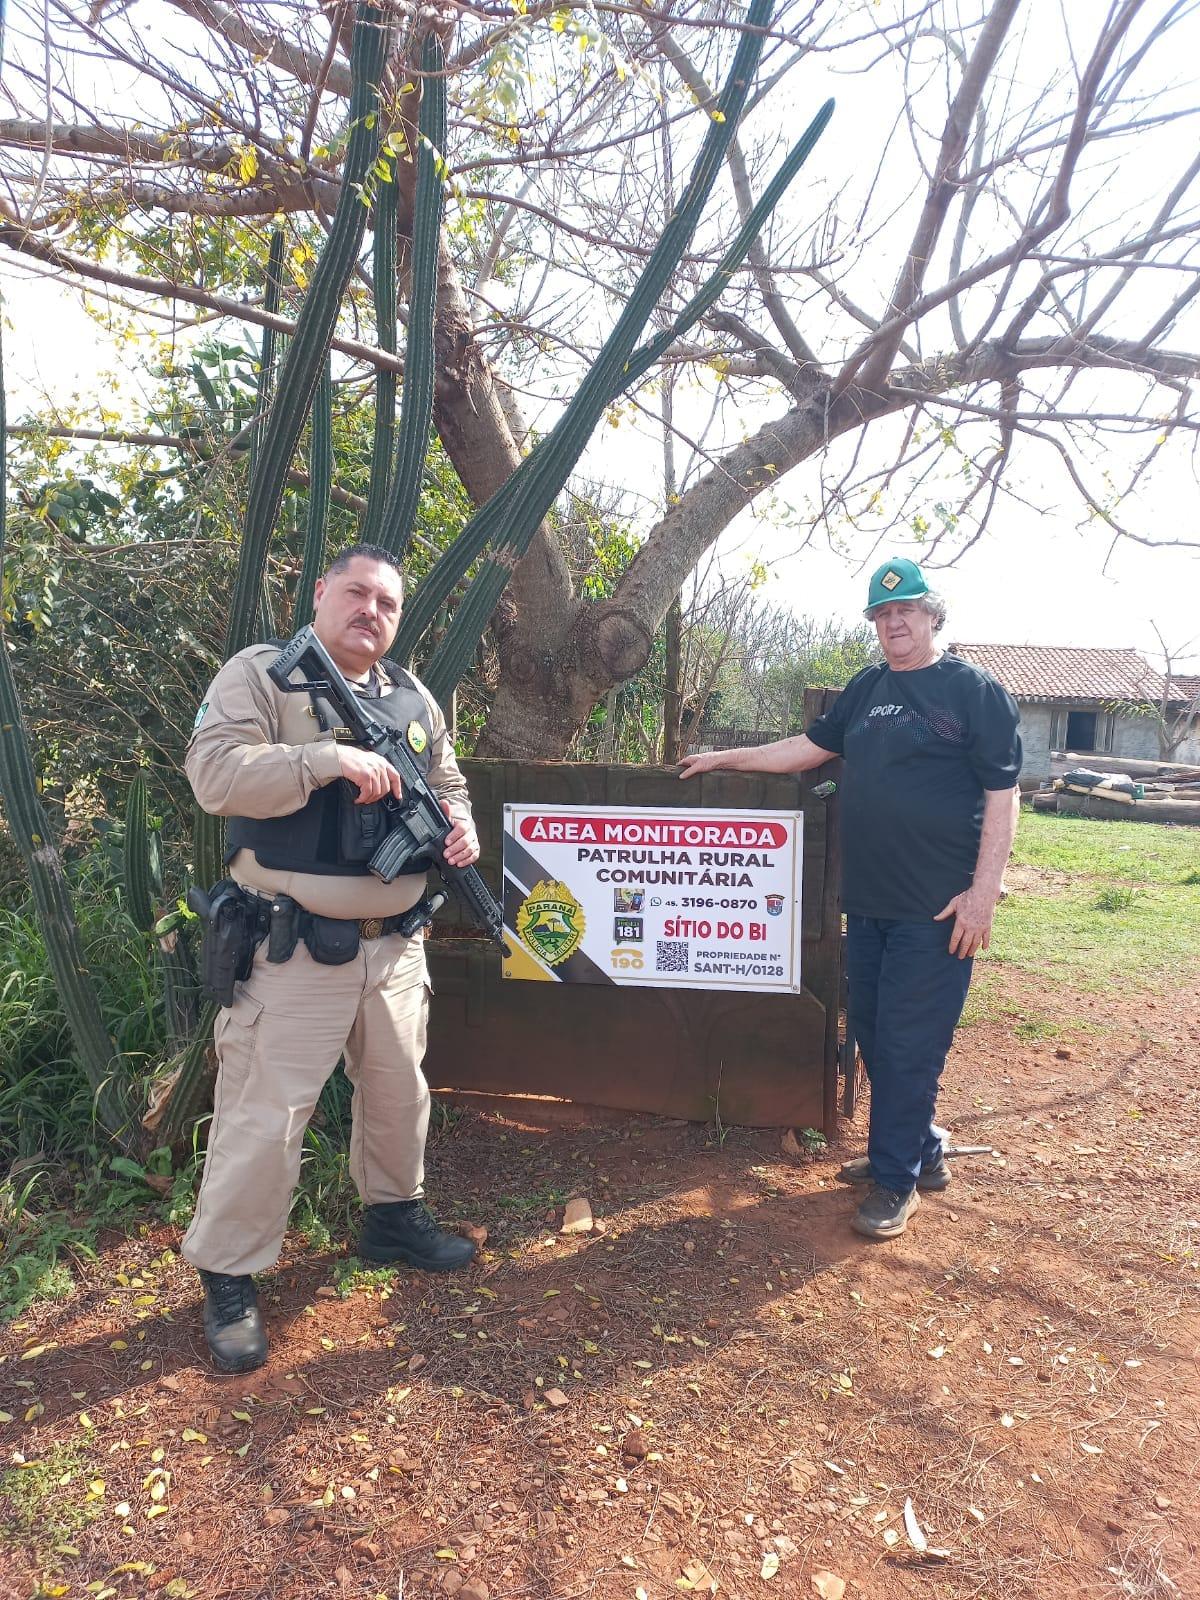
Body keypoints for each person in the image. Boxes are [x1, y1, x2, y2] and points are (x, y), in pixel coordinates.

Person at [182, 544, 480, 1372]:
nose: (371, 612)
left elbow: (448, 780)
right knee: (265, 1114)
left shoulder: (415, 696)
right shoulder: (262, 676)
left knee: (397, 1095)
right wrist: (324, 761)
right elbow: (212, 774)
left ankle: (392, 1219)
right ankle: (231, 1273)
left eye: (386, 603)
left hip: (395, 949)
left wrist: (463, 822)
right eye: (357, 593)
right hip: (293, 948)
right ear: (321, 594)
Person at [680, 558, 1021, 1241]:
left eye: (907, 611)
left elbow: (1002, 793)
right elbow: (807, 749)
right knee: (871, 1030)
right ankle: (919, 1153)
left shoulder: (973, 691)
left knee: (909, 1042)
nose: (894, 623)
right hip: (867, 903)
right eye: (882, 614)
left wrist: (984, 893)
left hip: (939, 908)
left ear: (932, 616)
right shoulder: (866, 689)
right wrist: (724, 758)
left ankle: (894, 1182)